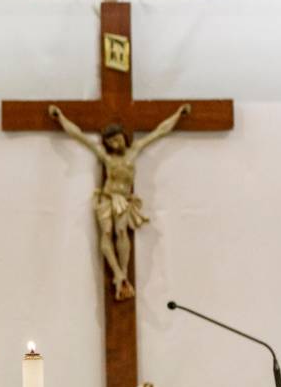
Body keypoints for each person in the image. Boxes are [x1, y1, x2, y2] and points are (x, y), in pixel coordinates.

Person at [48, 103, 190, 300]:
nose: (116, 144)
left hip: (123, 200)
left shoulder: (135, 150)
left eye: (118, 138)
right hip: (107, 199)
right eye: (112, 142)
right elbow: (79, 135)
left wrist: (178, 114)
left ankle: (123, 273)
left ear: (124, 136)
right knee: (106, 233)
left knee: (121, 232)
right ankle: (117, 273)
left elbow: (161, 131)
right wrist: (60, 116)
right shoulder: (106, 157)